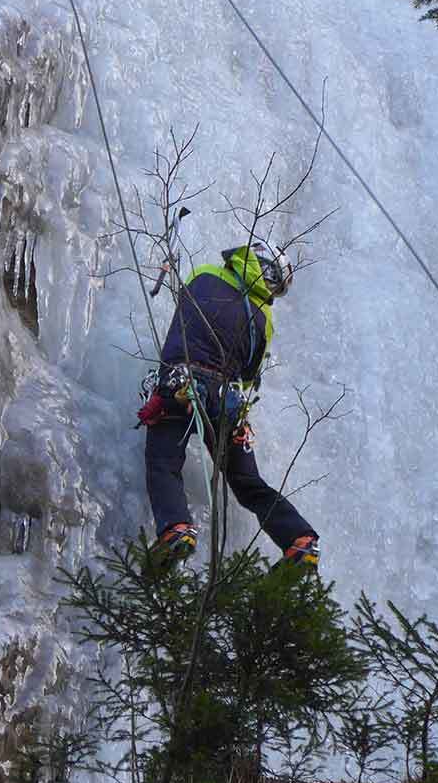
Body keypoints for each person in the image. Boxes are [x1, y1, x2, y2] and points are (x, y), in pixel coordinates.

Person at [136, 241, 319, 569]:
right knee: (247, 483)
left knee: (164, 462)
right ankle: (298, 539)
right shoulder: (263, 316)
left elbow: (184, 311)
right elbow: (249, 373)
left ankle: (177, 528)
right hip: (226, 399)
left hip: (180, 382)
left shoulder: (204, 274)